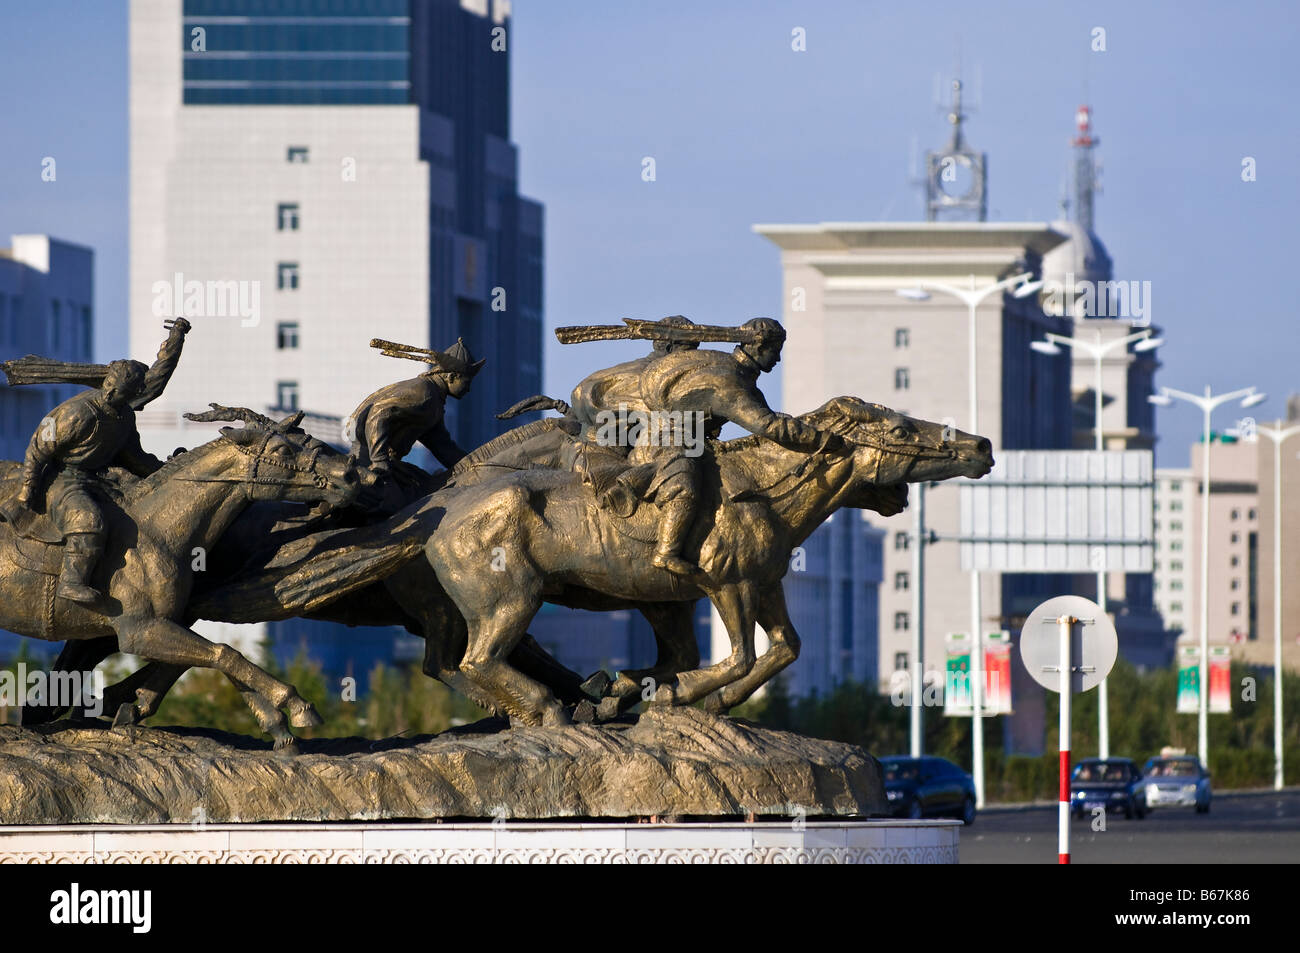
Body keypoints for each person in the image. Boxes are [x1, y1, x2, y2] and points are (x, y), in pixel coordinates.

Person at [14, 318, 191, 603]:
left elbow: (136, 458)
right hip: (63, 479)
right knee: (89, 520)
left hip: (101, 479)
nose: (111, 393)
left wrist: (171, 473)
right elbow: (37, 447)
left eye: (121, 391)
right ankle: (72, 582)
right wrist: (28, 487)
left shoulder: (124, 417)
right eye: (111, 387)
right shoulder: (78, 413)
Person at [349, 337, 484, 477]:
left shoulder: (434, 402)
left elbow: (444, 448)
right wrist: (379, 459)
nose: (468, 389)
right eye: (467, 382)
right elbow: (378, 412)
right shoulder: (424, 393)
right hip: (367, 461)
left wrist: (479, 467)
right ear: (451, 377)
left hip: (384, 460)